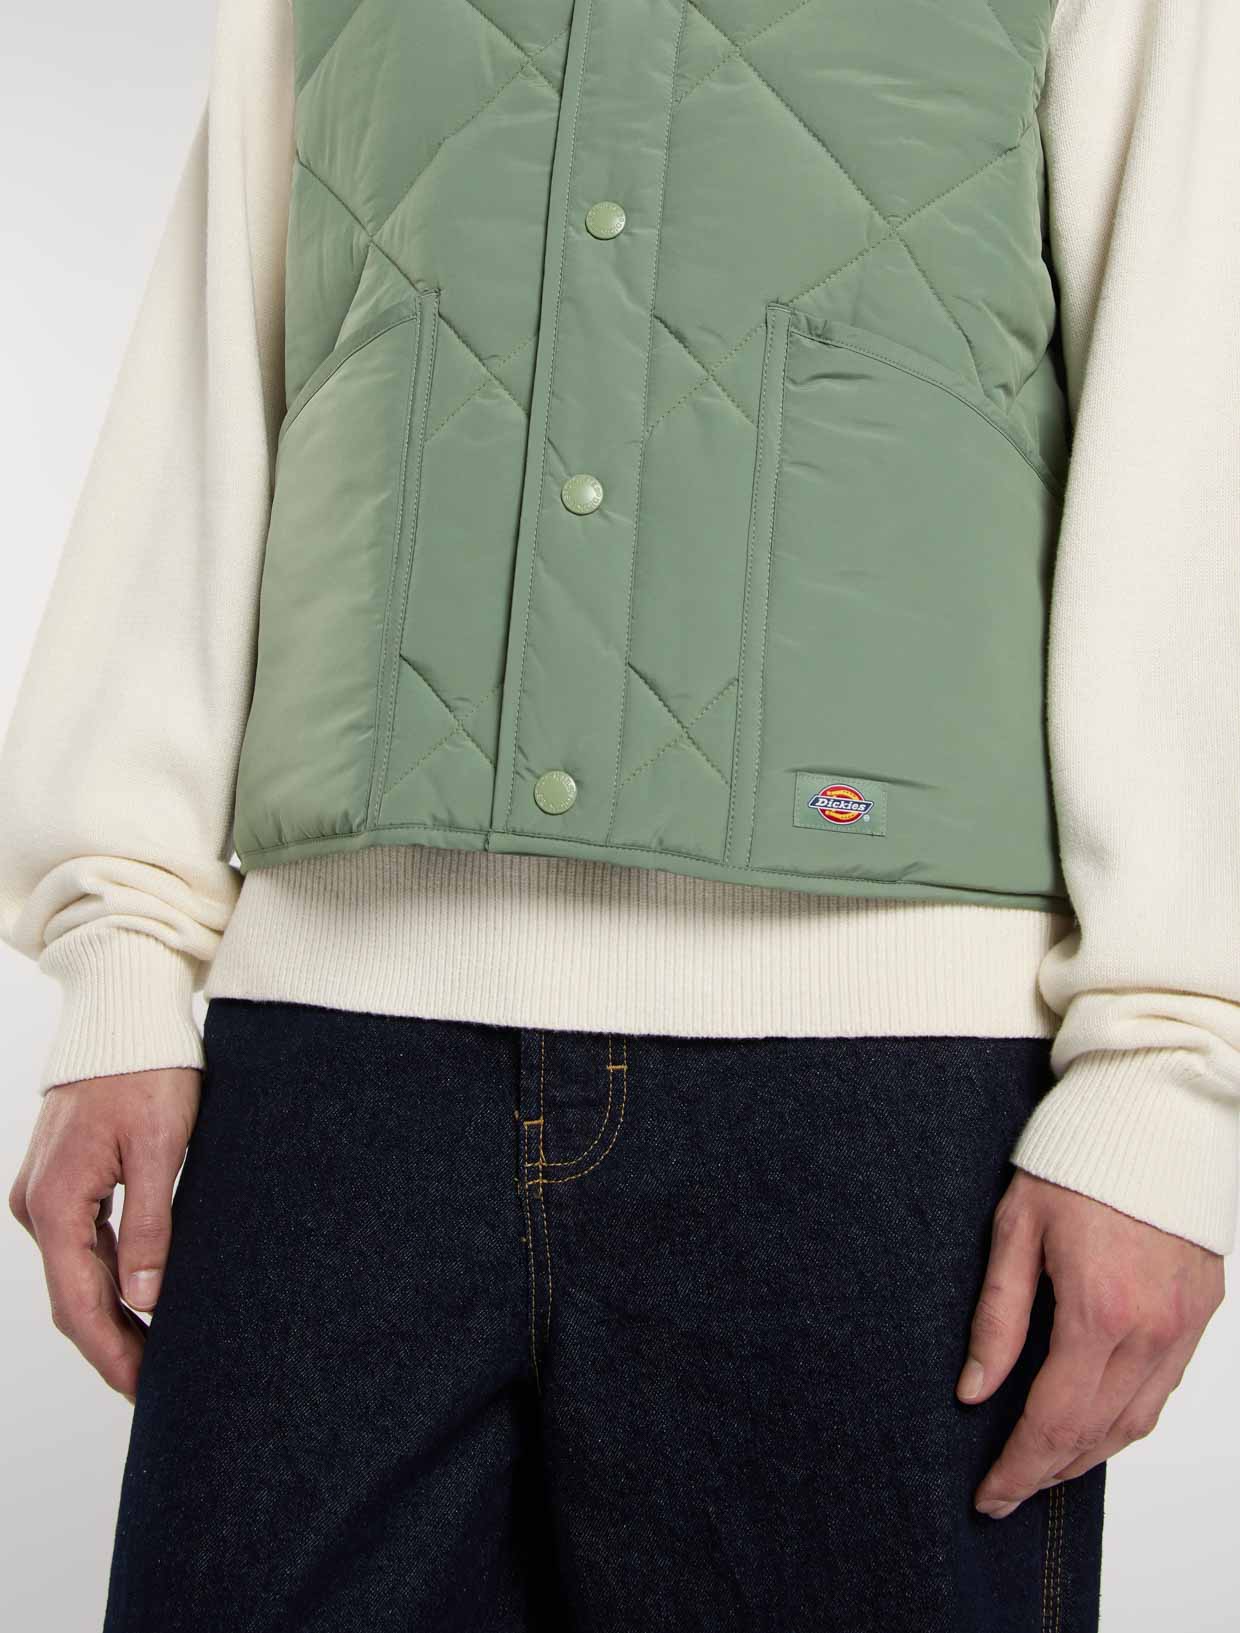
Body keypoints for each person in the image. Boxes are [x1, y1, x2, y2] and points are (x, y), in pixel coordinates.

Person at [2, 0, 1236, 1628]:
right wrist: (121, 942)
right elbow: (222, 346)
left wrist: (1173, 1075)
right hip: (333, 1075)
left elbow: (1193, 396)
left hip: (873, 1103)